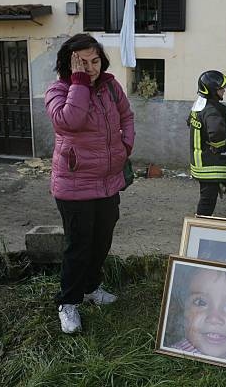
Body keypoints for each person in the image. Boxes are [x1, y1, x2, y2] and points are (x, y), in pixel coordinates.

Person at [45, 33, 135, 334]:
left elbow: (127, 116)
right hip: (75, 185)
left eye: (95, 61)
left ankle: (91, 287)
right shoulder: (58, 90)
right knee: (78, 246)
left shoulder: (110, 86)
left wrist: (126, 146)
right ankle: (68, 302)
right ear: (69, 63)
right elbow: (68, 121)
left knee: (102, 240)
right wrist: (79, 82)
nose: (91, 67)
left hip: (108, 181)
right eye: (83, 62)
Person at [187, 70, 226, 216]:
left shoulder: (198, 106)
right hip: (209, 163)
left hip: (199, 161)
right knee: (208, 200)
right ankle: (200, 226)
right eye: (221, 89)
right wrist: (219, 147)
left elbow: (189, 122)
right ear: (212, 90)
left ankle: (222, 183)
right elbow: (217, 133)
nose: (223, 91)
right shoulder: (211, 111)